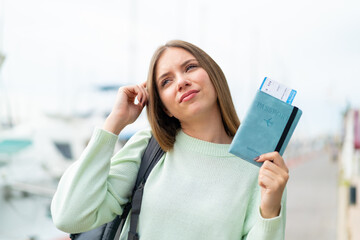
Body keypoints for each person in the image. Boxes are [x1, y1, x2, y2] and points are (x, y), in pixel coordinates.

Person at [51, 40, 289, 239]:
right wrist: (114, 123)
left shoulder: (258, 164)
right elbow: (69, 216)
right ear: (164, 108)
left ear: (214, 75)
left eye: (190, 67)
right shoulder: (148, 147)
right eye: (166, 81)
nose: (181, 82)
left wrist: (270, 211)